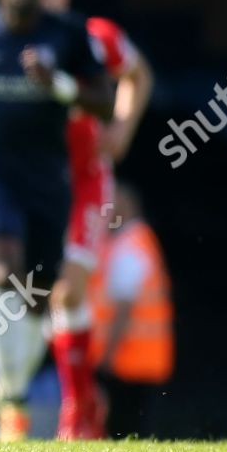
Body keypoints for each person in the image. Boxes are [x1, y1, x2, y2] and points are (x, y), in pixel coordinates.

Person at [0, 0, 154, 438]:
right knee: (33, 289)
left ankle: (78, 411)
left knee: (68, 289)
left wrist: (121, 126)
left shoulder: (92, 36)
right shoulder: (6, 42)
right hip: (30, 176)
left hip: (82, 179)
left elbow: (138, 76)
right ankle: (20, 393)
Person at [89, 182, 173, 438]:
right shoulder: (132, 241)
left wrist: (106, 357)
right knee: (132, 430)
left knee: (125, 432)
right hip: (137, 362)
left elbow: (124, 308)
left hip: (128, 363)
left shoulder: (130, 245)